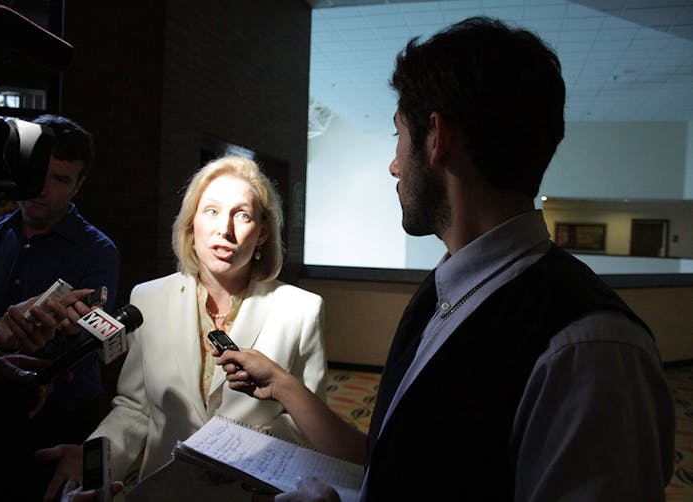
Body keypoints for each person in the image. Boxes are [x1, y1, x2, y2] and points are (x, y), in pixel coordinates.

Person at [216, 16, 676, 502]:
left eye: (399, 137)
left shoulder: (590, 350)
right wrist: (287, 387)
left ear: (437, 138)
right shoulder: (446, 291)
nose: (394, 164)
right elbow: (399, 464)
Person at [38, 155, 328, 500]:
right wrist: (93, 462)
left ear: (262, 232)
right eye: (212, 212)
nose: (226, 229)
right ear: (191, 226)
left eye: (243, 215)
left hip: (249, 493)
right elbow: (135, 409)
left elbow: (311, 424)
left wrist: (254, 441)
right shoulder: (149, 298)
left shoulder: (301, 309)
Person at [0, 114, 120, 501]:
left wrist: (70, 333)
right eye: (38, 172)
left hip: (62, 417)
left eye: (60, 179)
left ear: (79, 184)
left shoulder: (97, 251)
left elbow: (99, 346)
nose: (41, 189)